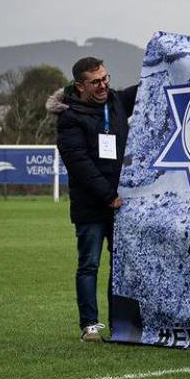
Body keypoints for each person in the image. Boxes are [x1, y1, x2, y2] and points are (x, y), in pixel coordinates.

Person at [47, 57, 138, 342]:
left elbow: (147, 89)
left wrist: (172, 64)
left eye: (105, 78)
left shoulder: (117, 101)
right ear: (80, 86)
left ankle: (119, 324)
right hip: (92, 205)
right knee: (89, 264)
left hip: (118, 204)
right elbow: (80, 164)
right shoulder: (70, 117)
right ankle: (89, 325)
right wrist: (108, 195)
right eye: (96, 82)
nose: (103, 86)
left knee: (120, 265)